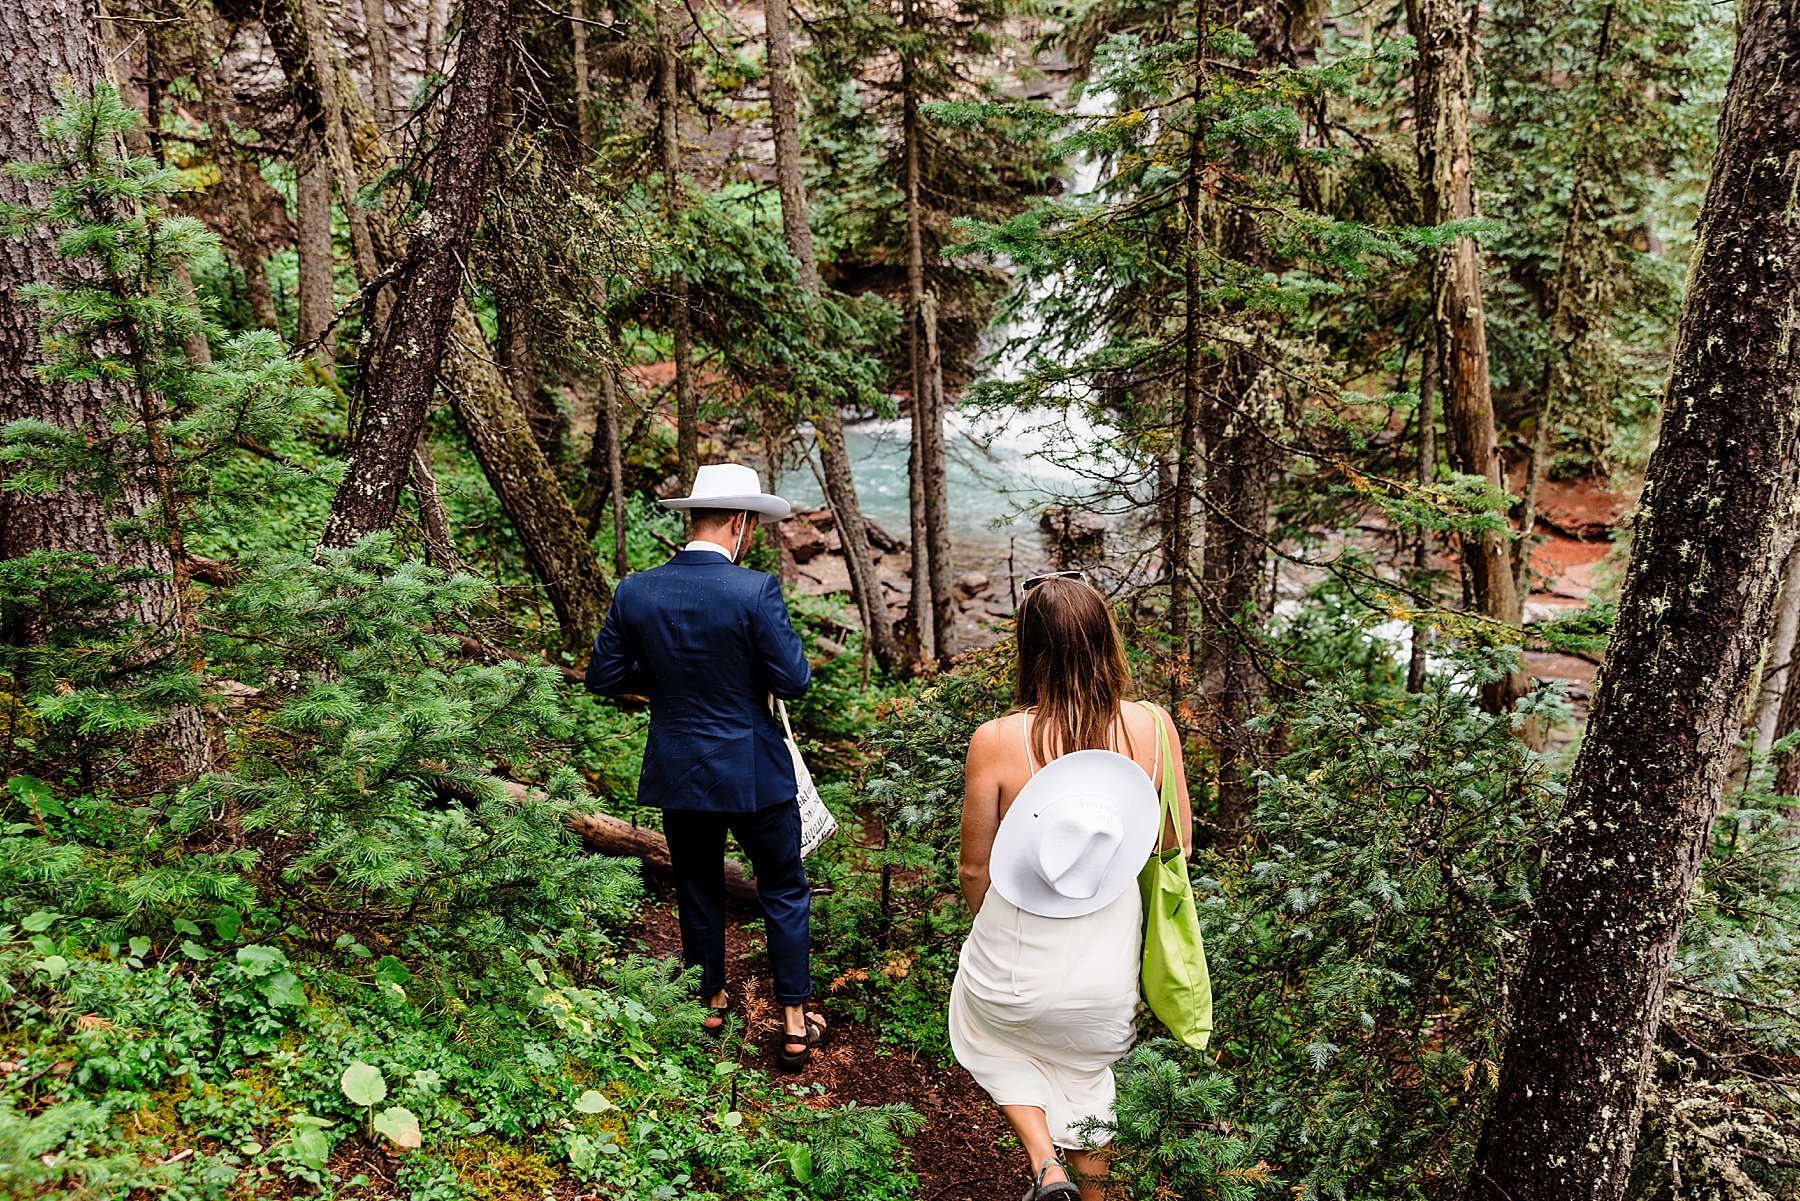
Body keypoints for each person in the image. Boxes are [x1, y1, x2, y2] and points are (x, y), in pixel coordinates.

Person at [949, 572, 1193, 1201]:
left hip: (1014, 965)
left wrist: (993, 925)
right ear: (1105, 640)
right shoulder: (1154, 728)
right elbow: (1175, 845)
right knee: (1087, 1076)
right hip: (1103, 978)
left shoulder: (996, 740)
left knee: (985, 1033)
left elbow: (974, 868)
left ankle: (1043, 1166)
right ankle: (1089, 1193)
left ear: (1029, 649)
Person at [585, 462, 827, 1070]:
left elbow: (604, 676)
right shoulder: (754, 591)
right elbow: (794, 681)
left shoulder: (635, 590)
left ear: (692, 518)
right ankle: (795, 1021)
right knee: (783, 889)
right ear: (741, 524)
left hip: (679, 767)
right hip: (753, 770)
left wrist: (671, 682)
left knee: (696, 883)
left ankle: (711, 999)